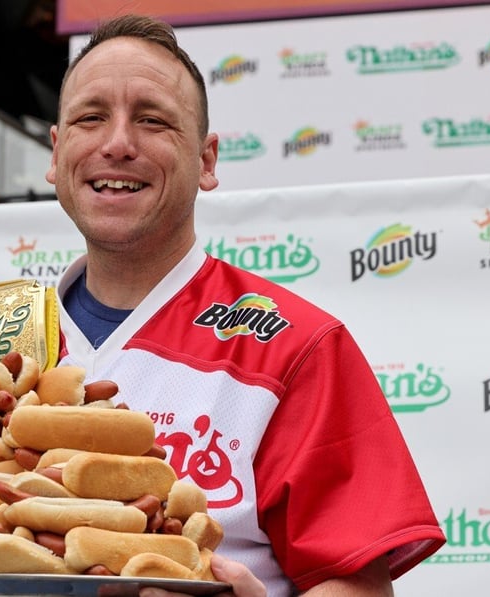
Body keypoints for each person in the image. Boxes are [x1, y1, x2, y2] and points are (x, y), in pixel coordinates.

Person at [44, 14, 446, 596]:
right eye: (90, 118)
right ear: (57, 154)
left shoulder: (297, 346)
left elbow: (359, 587)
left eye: (153, 121)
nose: (117, 144)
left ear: (207, 161)